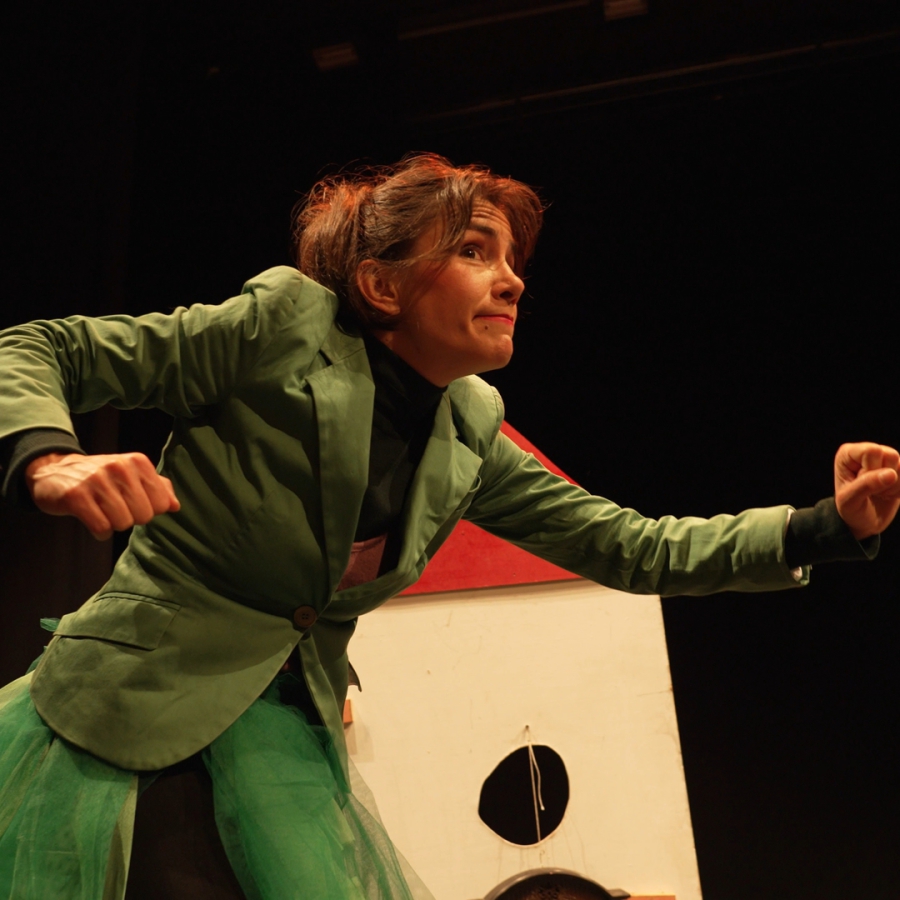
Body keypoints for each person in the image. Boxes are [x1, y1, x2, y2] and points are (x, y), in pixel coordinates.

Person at [0, 153, 898, 900]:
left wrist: (822, 526)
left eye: (512, 260)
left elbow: (630, 546)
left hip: (282, 743)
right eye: (475, 251)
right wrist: (50, 459)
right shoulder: (282, 329)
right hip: (133, 705)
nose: (512, 279)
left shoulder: (469, 432)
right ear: (381, 284)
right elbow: (41, 347)